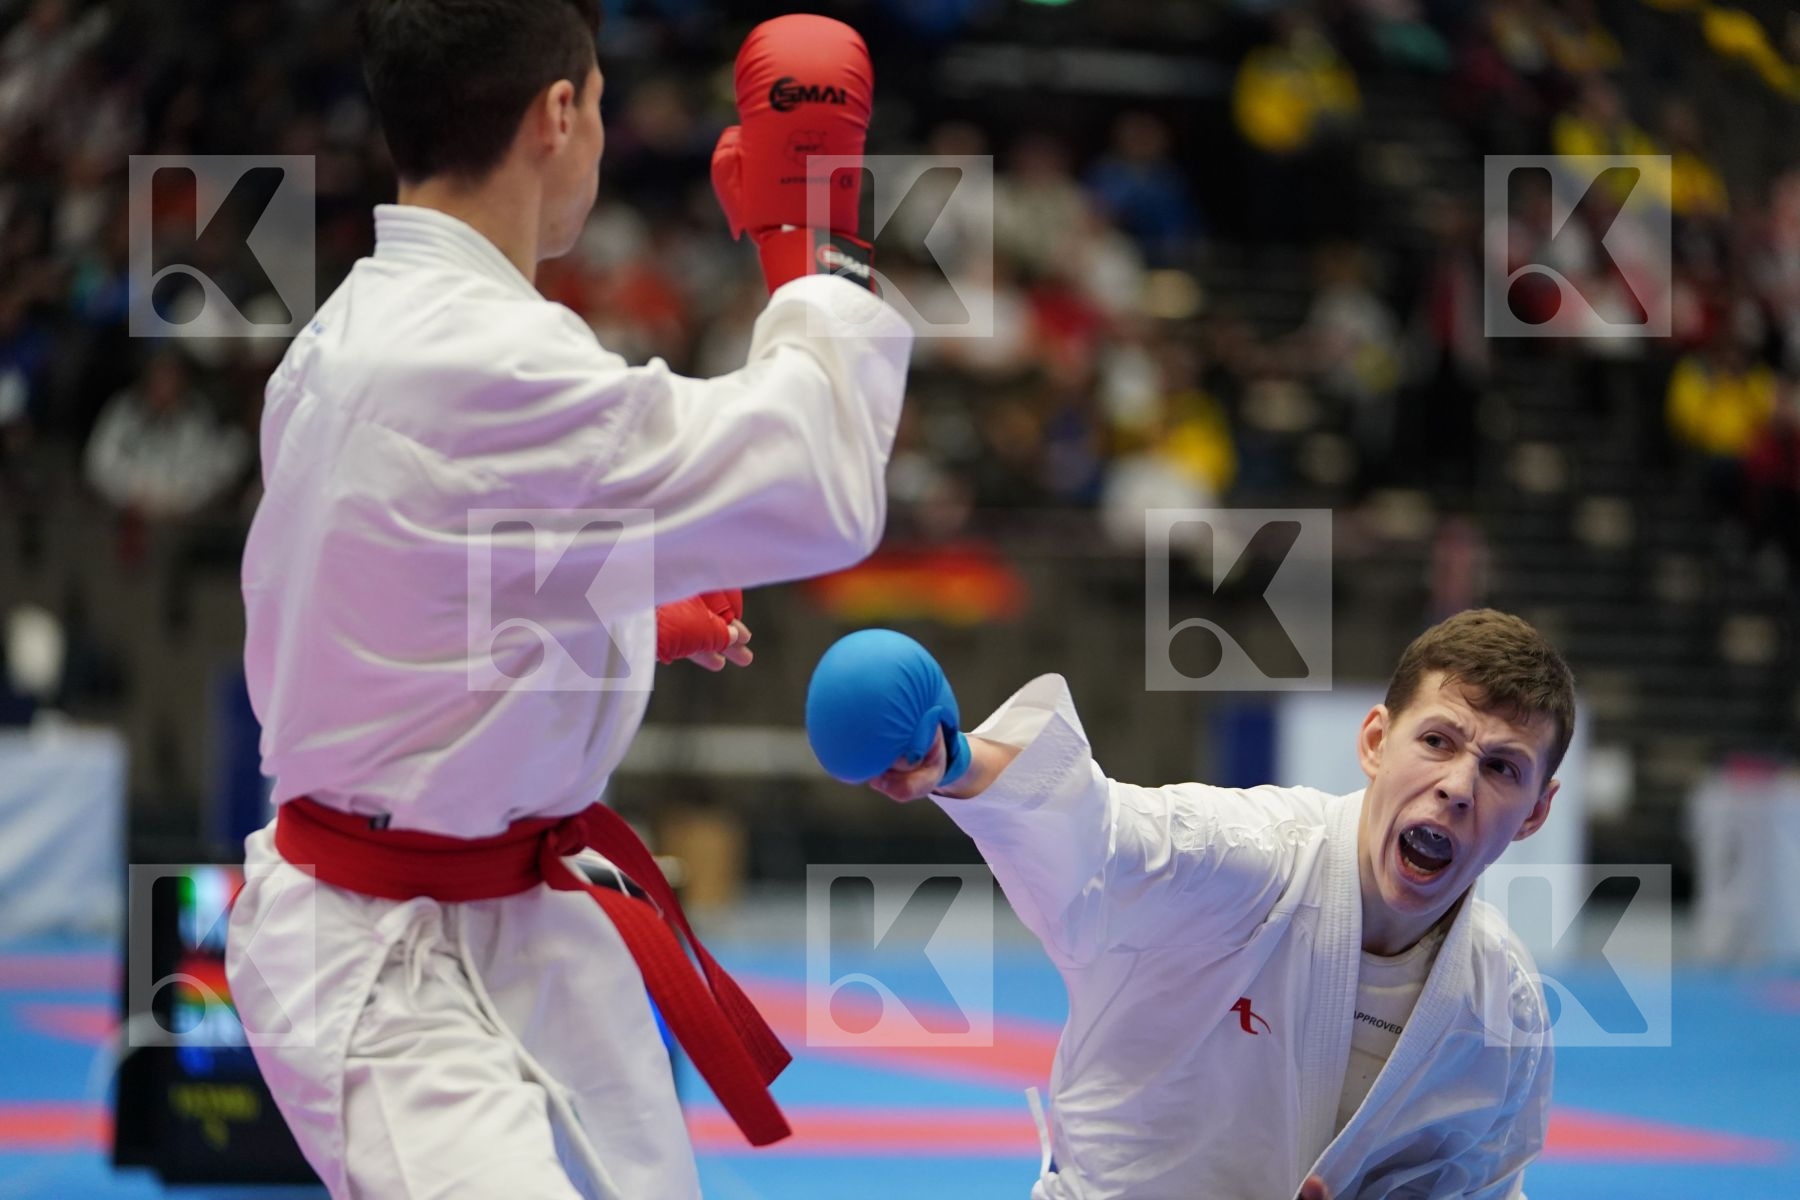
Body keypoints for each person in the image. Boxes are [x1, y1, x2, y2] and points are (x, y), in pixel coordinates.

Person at [224, 4, 911, 1198]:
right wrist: (809, 235)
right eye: (596, 102)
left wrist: (629, 618)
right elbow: (825, 488)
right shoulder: (487, 359)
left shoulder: (352, 333)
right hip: (385, 951)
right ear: (559, 113)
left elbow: (414, 595)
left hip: (515, 911)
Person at [806, 609, 1569, 1199]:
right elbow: (1104, 835)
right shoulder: (1248, 857)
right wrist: (958, 763)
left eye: (1503, 768)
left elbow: (1481, 1184)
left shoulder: (1502, 1007)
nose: (1460, 786)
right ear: (1375, 741)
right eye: (1437, 741)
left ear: (1536, 811)